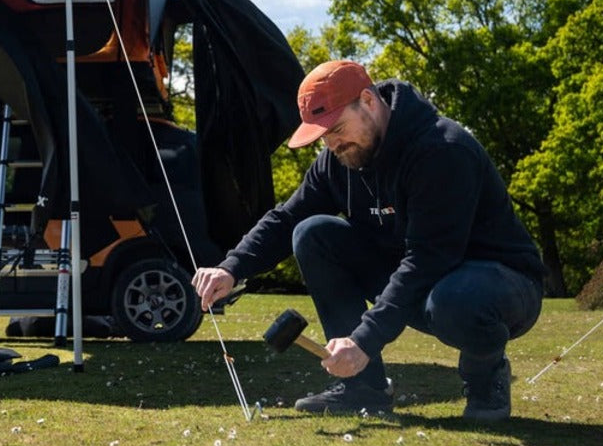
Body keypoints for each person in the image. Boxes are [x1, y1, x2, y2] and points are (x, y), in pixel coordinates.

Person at [192, 60, 545, 421]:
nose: (333, 144)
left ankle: (487, 381)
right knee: (313, 234)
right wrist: (230, 269)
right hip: (425, 281)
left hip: (500, 284)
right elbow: (286, 218)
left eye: (338, 128)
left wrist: (364, 340)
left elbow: (428, 259)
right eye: (323, 136)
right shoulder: (339, 159)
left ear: (369, 101)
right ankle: (362, 388)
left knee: (456, 299)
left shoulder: (443, 150)